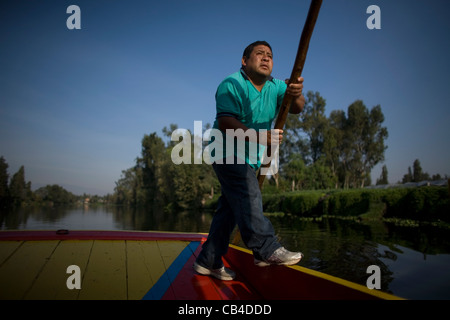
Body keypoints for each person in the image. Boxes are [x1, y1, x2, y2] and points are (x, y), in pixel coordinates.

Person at [193, 40, 306, 281]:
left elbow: (296, 107)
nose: (266, 58)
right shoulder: (231, 84)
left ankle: (209, 260)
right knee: (248, 191)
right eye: (259, 54)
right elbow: (225, 121)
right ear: (245, 61)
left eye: (270, 55)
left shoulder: (275, 86)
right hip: (225, 150)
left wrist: (296, 94)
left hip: (250, 157)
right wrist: (259, 136)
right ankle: (266, 249)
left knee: (230, 210)